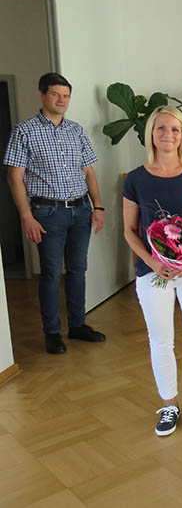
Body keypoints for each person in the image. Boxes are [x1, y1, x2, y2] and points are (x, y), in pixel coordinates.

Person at [122, 106, 182, 436]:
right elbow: (129, 231)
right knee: (160, 342)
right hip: (154, 274)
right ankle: (169, 404)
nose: (168, 135)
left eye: (175, 130)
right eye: (161, 129)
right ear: (151, 133)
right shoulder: (135, 179)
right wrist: (154, 264)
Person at [4, 72, 106, 354]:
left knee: (78, 270)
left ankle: (77, 325)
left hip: (81, 210)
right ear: (41, 95)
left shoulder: (76, 130)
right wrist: (27, 216)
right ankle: (51, 332)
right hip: (46, 212)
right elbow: (15, 177)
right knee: (50, 273)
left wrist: (97, 206)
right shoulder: (24, 131)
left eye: (66, 96)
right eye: (55, 95)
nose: (61, 100)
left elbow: (88, 171)